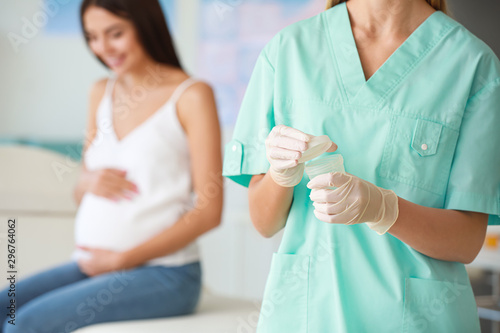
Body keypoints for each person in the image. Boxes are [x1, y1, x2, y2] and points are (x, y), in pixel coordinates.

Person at [223, 0, 499, 332]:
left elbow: (466, 242)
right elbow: (264, 222)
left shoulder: (472, 65)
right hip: (308, 316)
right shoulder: (288, 51)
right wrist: (280, 175)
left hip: (415, 321)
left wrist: (385, 209)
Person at [0, 0, 223, 332]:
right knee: (6, 306)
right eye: (92, 36)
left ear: (146, 26)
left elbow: (209, 211)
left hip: (163, 273)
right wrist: (86, 182)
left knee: (24, 324)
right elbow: (81, 193)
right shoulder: (100, 92)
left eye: (115, 33)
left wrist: (121, 260)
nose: (102, 48)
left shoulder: (191, 95)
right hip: (93, 264)